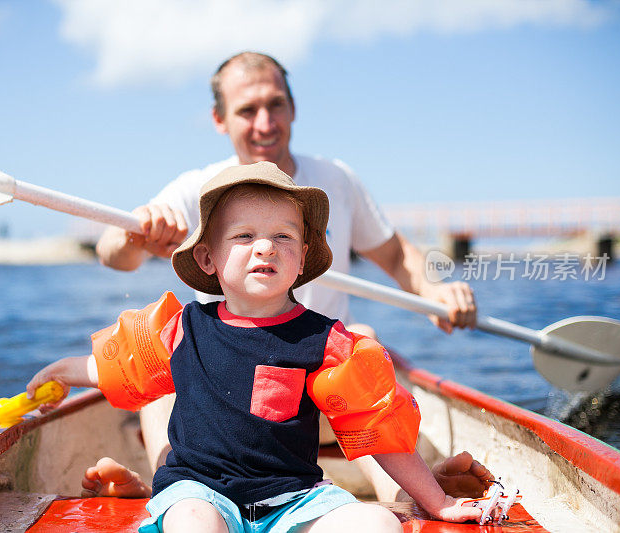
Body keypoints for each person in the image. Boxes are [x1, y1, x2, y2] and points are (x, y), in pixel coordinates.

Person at [93, 51, 490, 501]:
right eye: (247, 110)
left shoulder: (334, 180)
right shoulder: (198, 190)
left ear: (293, 109)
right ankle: (166, 489)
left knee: (362, 338)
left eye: (275, 105)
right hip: (217, 401)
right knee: (165, 360)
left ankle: (400, 496)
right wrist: (139, 234)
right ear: (220, 119)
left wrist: (434, 288)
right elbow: (112, 255)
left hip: (314, 397)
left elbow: (398, 256)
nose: (265, 122)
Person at [29, 163, 484, 532]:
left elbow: (379, 432)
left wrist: (439, 503)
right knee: (191, 522)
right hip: (200, 491)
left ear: (303, 257)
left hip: (295, 499)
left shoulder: (328, 341)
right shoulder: (184, 327)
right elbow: (118, 367)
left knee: (378, 524)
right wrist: (64, 370)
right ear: (208, 258)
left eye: (283, 236)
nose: (265, 246)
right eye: (244, 236)